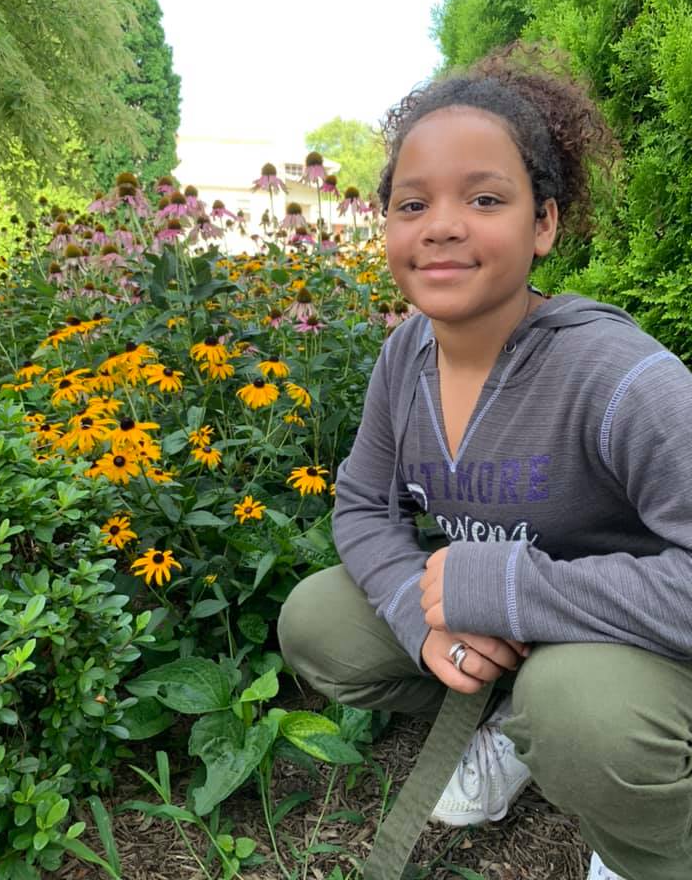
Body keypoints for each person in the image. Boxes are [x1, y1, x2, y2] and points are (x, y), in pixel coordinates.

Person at [278, 44, 692, 880]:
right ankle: (516, 726)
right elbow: (362, 506)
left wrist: (510, 590)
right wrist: (418, 613)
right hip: (521, 625)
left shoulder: (620, 378)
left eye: (485, 198)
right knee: (318, 622)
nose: (441, 224)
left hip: (645, 641)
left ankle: (647, 842)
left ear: (544, 224)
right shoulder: (404, 358)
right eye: (412, 203)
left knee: (581, 708)